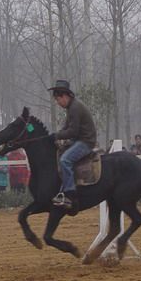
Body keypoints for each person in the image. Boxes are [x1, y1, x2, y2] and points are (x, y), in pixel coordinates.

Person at [47, 79, 97, 209]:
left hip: (86, 142)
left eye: (58, 100)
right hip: (79, 139)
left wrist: (57, 135)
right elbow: (66, 128)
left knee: (65, 160)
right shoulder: (72, 107)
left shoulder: (74, 108)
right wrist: (57, 135)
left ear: (64, 96)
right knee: (60, 153)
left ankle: (69, 193)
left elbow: (73, 131)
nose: (58, 103)